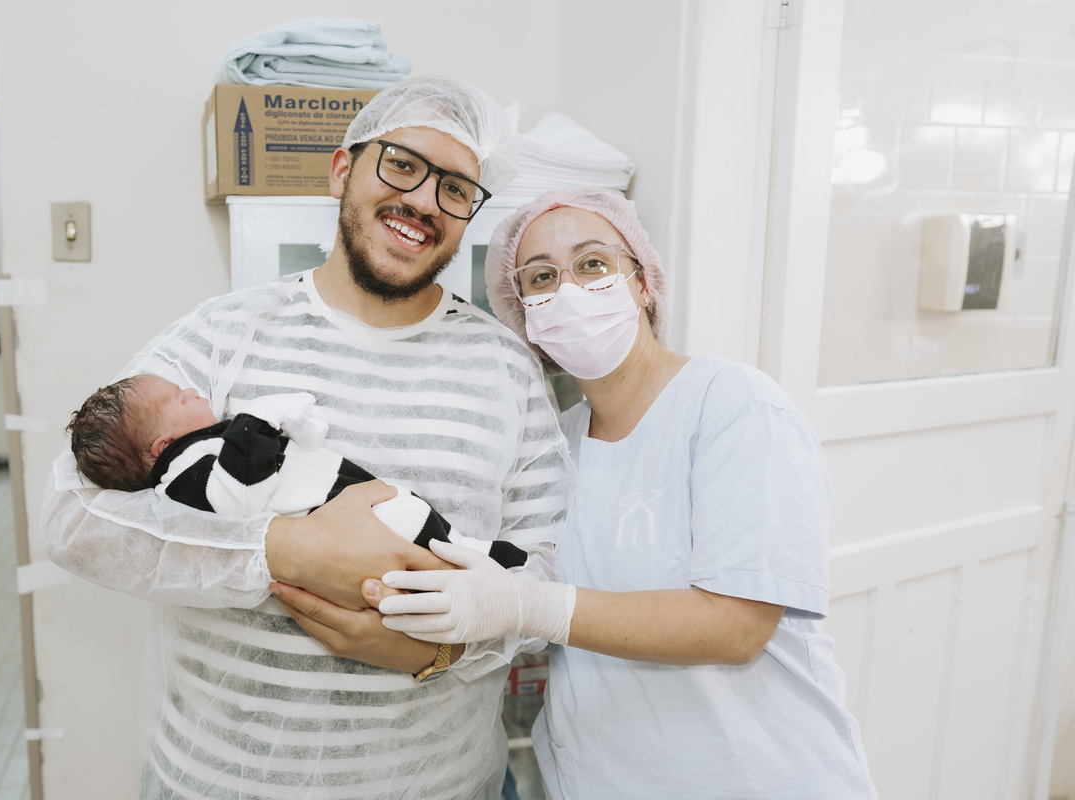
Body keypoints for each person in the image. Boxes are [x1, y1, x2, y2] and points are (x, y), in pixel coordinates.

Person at [42, 76, 572, 800]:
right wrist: (286, 550)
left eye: (455, 188)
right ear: (342, 170)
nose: (424, 200)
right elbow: (73, 520)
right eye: (402, 165)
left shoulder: (506, 368)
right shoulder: (221, 333)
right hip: (217, 784)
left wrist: (442, 647)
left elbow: (548, 571)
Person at [377, 187, 879, 798]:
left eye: (593, 264)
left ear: (643, 285)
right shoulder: (554, 446)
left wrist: (526, 605)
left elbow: (736, 627)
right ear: (526, 316)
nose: (568, 290)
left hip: (752, 776)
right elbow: (528, 595)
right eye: (541, 278)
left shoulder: (734, 407)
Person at [65, 374, 528, 568]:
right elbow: (236, 499)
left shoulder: (208, 445)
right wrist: (256, 422)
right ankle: (467, 556)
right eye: (179, 398)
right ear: (162, 446)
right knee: (417, 537)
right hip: (352, 522)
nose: (194, 391)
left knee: (418, 520)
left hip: (353, 495)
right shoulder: (181, 473)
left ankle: (468, 548)